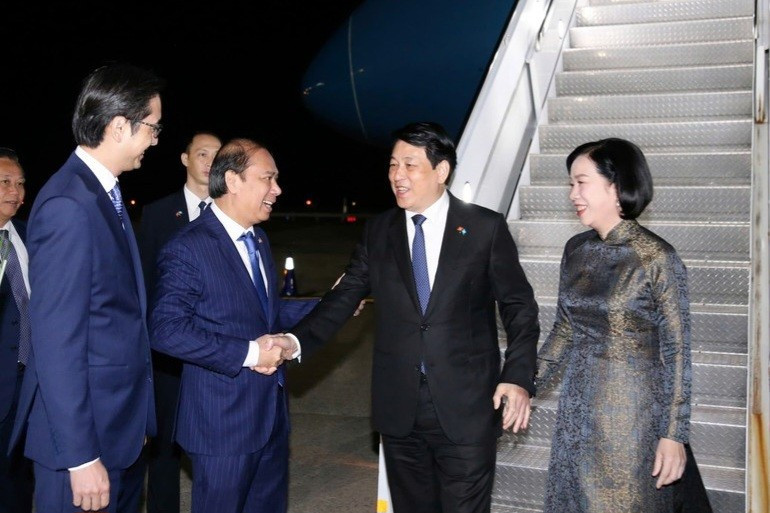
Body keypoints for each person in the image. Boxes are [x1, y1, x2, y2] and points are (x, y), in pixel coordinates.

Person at [289, 121, 540, 513]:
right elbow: (345, 295)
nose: (397, 176)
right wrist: (295, 340)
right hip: (400, 408)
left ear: (441, 172)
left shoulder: (483, 228)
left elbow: (519, 306)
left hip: (467, 407)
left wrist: (518, 375)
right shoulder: (379, 231)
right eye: (392, 165)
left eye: (410, 165)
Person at [10, 63, 164, 513]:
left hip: (119, 433)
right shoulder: (69, 205)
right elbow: (57, 340)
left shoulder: (101, 196)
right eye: (152, 127)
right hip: (82, 449)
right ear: (119, 126)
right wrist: (81, 456)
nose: (156, 140)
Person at [534, 138, 712, 512]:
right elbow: (565, 330)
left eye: (581, 183)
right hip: (578, 413)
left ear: (615, 186)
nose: (572, 194)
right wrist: (525, 382)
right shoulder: (576, 250)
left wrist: (673, 434)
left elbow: (677, 350)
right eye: (571, 184)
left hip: (633, 421)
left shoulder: (657, 257)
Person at [149, 138, 317, 513]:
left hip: (270, 420)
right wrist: (250, 352)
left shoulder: (258, 238)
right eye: (268, 178)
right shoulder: (189, 246)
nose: (277, 189)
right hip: (222, 427)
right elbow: (166, 329)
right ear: (233, 180)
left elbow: (265, 316)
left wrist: (328, 307)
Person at [138, 130, 222, 513]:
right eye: (202, 154)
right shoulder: (157, 213)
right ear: (185, 159)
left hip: (216, 352)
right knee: (165, 448)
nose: (209, 162)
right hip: (168, 354)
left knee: (214, 448)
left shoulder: (232, 212)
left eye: (217, 156)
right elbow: (145, 282)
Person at [0, 148, 33, 513]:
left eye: (21, 184)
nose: (16, 192)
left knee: (20, 479)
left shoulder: (29, 235)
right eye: (5, 183)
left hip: (30, 382)